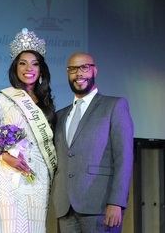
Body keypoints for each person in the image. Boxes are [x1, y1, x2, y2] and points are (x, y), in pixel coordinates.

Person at [52, 52, 134, 233]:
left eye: (84, 67)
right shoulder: (60, 115)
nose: (78, 74)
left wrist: (116, 202)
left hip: (100, 206)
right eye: (72, 69)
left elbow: (124, 157)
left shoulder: (114, 106)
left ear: (94, 70)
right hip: (66, 207)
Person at [0, 28, 57, 233]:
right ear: (15, 68)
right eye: (23, 63)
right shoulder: (0, 100)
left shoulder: (47, 104)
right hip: (9, 175)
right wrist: (6, 158)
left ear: (41, 70)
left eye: (35, 63)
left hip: (38, 176)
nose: (29, 68)